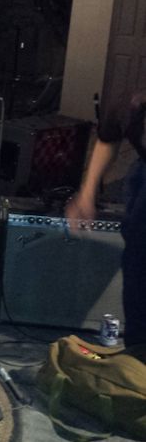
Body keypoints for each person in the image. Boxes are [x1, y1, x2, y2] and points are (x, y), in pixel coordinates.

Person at [65, 90, 145, 351]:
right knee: (137, 271)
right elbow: (108, 138)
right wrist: (87, 193)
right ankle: (138, 353)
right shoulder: (129, 98)